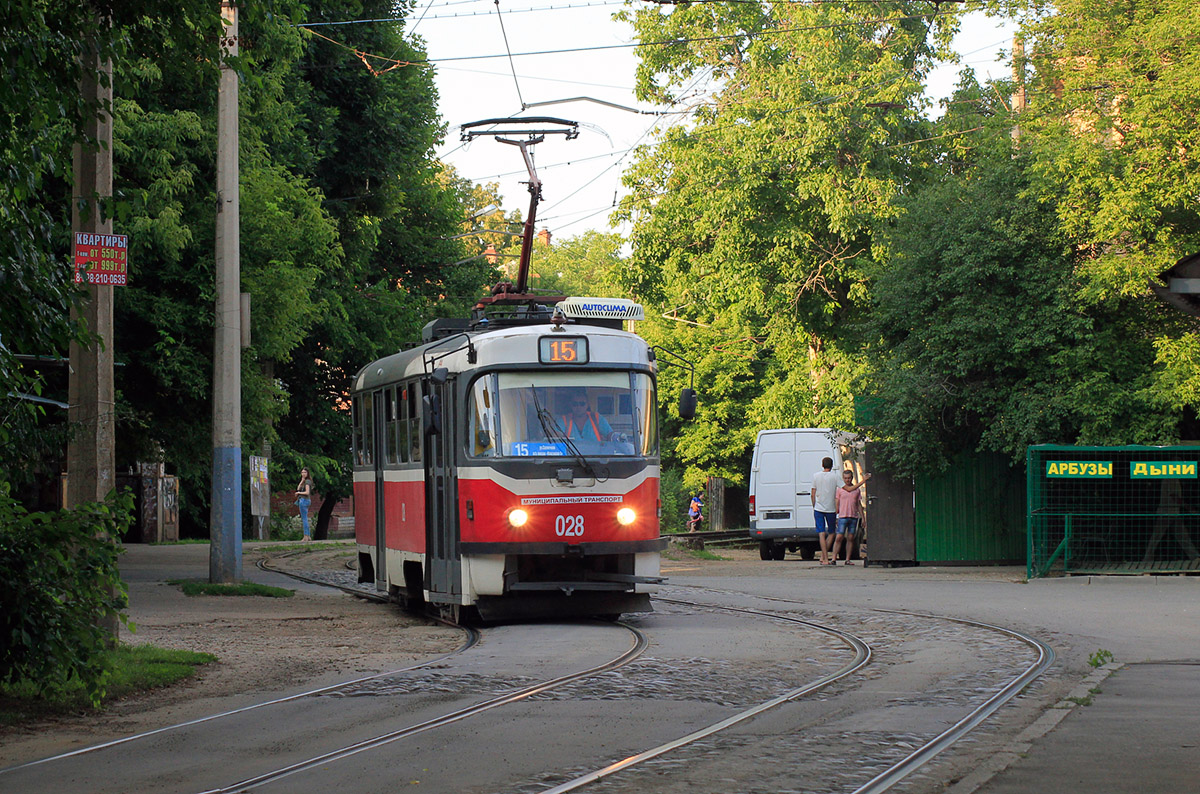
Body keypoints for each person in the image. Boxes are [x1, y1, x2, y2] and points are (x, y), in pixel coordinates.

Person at [832, 469, 871, 565]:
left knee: (850, 537)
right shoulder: (840, 489)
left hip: (853, 516)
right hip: (842, 516)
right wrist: (836, 515)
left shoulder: (856, 490)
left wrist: (863, 518)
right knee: (839, 537)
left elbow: (858, 504)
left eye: (849, 478)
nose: (847, 480)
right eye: (845, 478)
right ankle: (833, 558)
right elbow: (837, 503)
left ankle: (847, 559)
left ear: (852, 478)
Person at [811, 457, 841, 565]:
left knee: (821, 533)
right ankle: (825, 556)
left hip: (818, 508)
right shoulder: (835, 477)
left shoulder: (816, 476)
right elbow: (844, 488)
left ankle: (824, 558)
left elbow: (813, 493)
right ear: (832, 465)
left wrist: (814, 504)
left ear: (822, 465)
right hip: (831, 508)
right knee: (832, 532)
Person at [295, 467, 314, 541]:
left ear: (308, 473)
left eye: (305, 472)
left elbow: (307, 492)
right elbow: (298, 488)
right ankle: (308, 536)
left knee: (304, 518)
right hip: (304, 500)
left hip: (304, 500)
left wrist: (299, 493)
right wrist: (301, 481)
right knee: (304, 518)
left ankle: (306, 536)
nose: (303, 474)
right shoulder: (304, 481)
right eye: (302, 472)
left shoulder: (307, 482)